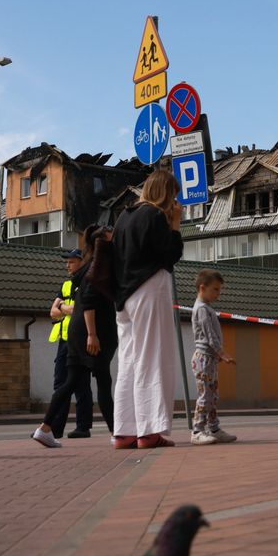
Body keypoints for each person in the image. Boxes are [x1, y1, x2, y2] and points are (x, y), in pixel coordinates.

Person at [111, 171, 184, 449]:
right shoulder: (153, 216)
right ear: (165, 192)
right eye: (173, 195)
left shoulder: (124, 217)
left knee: (129, 363)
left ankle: (124, 430)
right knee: (153, 358)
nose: (174, 201)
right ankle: (149, 431)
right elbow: (170, 255)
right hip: (149, 289)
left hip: (124, 297)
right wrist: (175, 224)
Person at [33, 226, 117, 447]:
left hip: (78, 334)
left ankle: (45, 429)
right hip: (91, 334)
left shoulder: (89, 268)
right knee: (103, 382)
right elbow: (89, 303)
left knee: (70, 382)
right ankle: (117, 433)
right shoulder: (97, 268)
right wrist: (92, 335)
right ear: (103, 243)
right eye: (112, 238)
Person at [189, 269, 237, 446]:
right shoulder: (201, 309)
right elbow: (210, 336)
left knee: (212, 395)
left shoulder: (207, 308)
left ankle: (214, 428)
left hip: (210, 359)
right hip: (203, 359)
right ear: (203, 288)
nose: (218, 293)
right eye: (215, 289)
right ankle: (197, 430)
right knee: (205, 396)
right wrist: (222, 354)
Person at [48, 247, 85, 438]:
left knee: (80, 384)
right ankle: (56, 428)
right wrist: (64, 306)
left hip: (79, 339)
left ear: (82, 261)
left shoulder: (86, 283)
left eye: (71, 261)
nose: (67, 265)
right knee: (61, 382)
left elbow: (78, 309)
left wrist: (61, 306)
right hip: (64, 340)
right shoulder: (65, 285)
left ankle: (82, 427)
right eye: (67, 261)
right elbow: (52, 312)